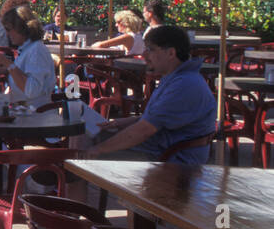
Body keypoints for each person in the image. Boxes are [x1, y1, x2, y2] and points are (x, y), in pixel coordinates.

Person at [84, 25, 216, 165]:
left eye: (150, 49)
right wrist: (119, 122)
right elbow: (160, 118)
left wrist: (99, 149)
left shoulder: (184, 84)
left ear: (171, 53)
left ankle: (72, 183)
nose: (144, 55)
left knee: (81, 149)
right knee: (83, 135)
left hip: (171, 160)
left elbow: (145, 130)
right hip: (161, 150)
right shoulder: (178, 77)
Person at [0, 4, 56, 110]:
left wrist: (9, 64)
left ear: (21, 28)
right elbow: (23, 74)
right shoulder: (27, 49)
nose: (7, 34)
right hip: (25, 113)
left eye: (9, 29)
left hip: (37, 117)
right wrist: (5, 71)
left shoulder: (36, 51)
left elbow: (32, 90)